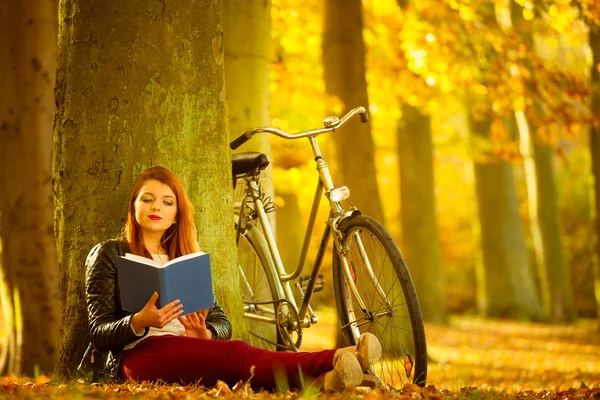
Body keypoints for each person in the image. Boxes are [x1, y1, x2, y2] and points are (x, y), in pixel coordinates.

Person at [78, 166, 382, 392]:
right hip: (139, 354)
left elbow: (222, 319)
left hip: (189, 348)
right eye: (147, 199)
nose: (156, 207)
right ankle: (341, 356)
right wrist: (140, 321)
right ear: (134, 207)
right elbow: (98, 331)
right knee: (237, 354)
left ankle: (328, 381)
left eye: (167, 202)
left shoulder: (185, 259)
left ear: (176, 215)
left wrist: (207, 335)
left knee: (237, 369)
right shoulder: (110, 253)